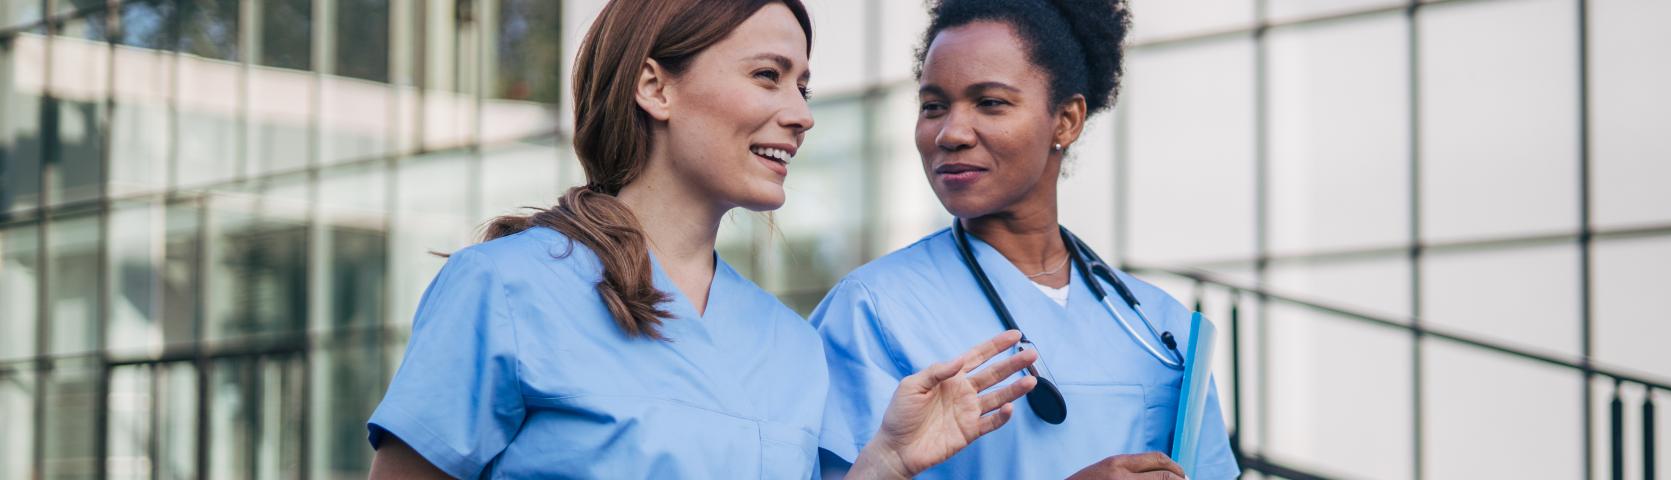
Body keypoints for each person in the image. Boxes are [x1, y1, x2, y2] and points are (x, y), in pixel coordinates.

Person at [364, 1, 1036, 478]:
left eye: (803, 86)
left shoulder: (791, 345)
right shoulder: (504, 287)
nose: (801, 115)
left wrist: (884, 463)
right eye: (767, 76)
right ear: (654, 86)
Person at [809, 0, 1239, 478]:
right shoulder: (872, 310)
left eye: (990, 102)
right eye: (933, 106)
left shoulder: (1161, 329)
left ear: (1067, 120)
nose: (950, 133)